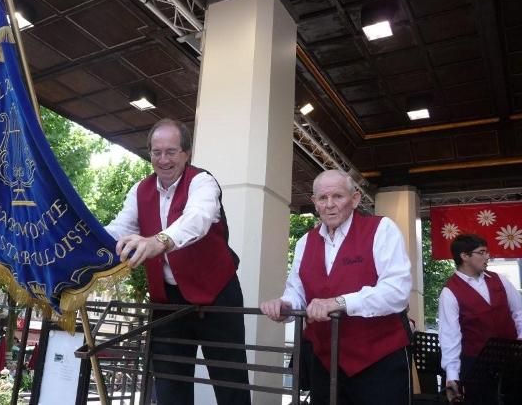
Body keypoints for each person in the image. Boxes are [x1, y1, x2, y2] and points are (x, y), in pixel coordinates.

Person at [105, 118, 250, 405]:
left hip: (217, 295)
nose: (163, 159)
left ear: (187, 153)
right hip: (167, 299)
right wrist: (82, 242)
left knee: (229, 382)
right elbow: (119, 229)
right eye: (156, 152)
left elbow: (198, 219)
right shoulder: (140, 190)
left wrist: (157, 241)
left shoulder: (202, 182)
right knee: (171, 387)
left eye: (171, 151)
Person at [260, 169, 413, 405]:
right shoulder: (304, 243)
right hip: (325, 362)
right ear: (314, 203)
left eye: (338, 196)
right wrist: (285, 305)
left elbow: (397, 291)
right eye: (322, 198)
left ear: (354, 199)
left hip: (378, 360)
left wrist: (340, 303)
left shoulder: (381, 229)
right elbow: (297, 291)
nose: (329, 205)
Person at [438, 234, 522, 404]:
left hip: (512, 360)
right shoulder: (449, 292)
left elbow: (519, 312)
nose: (487, 256)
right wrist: (452, 377)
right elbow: (450, 338)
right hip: (476, 366)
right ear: (464, 256)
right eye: (482, 252)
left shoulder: (500, 280)